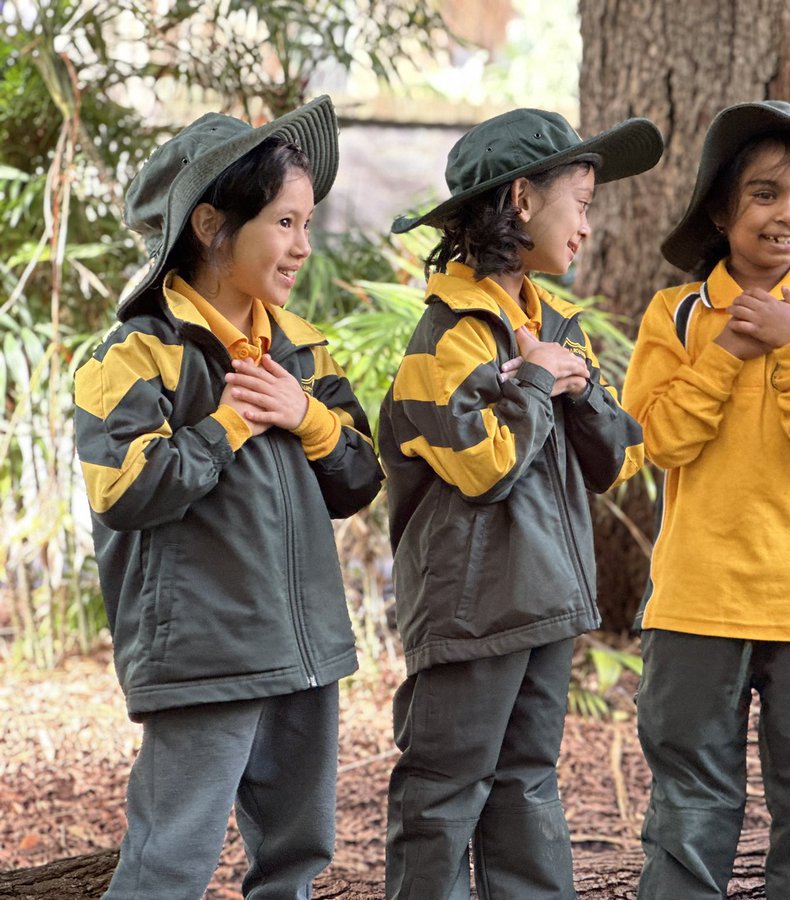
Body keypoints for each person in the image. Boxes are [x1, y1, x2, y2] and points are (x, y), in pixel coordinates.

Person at [73, 96, 384, 899]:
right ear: (211, 225)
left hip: (304, 646)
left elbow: (360, 479)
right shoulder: (136, 354)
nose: (303, 246)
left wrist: (305, 415)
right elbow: (124, 489)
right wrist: (227, 424)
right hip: (203, 655)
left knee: (296, 859)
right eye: (285, 223)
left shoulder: (300, 350)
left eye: (306, 224)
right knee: (169, 860)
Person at [379, 107, 663, 900]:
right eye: (582, 202)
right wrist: (539, 379)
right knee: (443, 791)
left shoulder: (550, 323)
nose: (586, 226)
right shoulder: (447, 340)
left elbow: (616, 458)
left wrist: (570, 385)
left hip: (543, 601)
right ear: (523, 201)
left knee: (529, 784)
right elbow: (482, 467)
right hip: (470, 613)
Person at [623, 100, 790, 900]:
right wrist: (731, 350)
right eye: (766, 193)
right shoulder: (676, 315)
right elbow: (657, 440)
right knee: (689, 809)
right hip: (698, 597)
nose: (789, 214)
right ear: (720, 209)